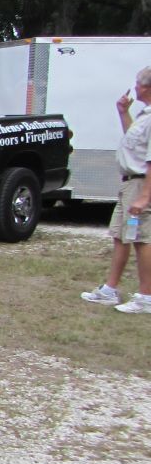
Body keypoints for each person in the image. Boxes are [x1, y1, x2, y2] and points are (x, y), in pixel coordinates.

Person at [80, 65, 151, 313]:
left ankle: (146, 297)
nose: (135, 88)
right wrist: (123, 112)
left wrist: (144, 197)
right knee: (120, 236)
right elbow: (134, 142)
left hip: (141, 183)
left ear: (146, 87)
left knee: (141, 238)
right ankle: (110, 290)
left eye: (138, 84)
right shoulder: (143, 115)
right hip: (129, 182)